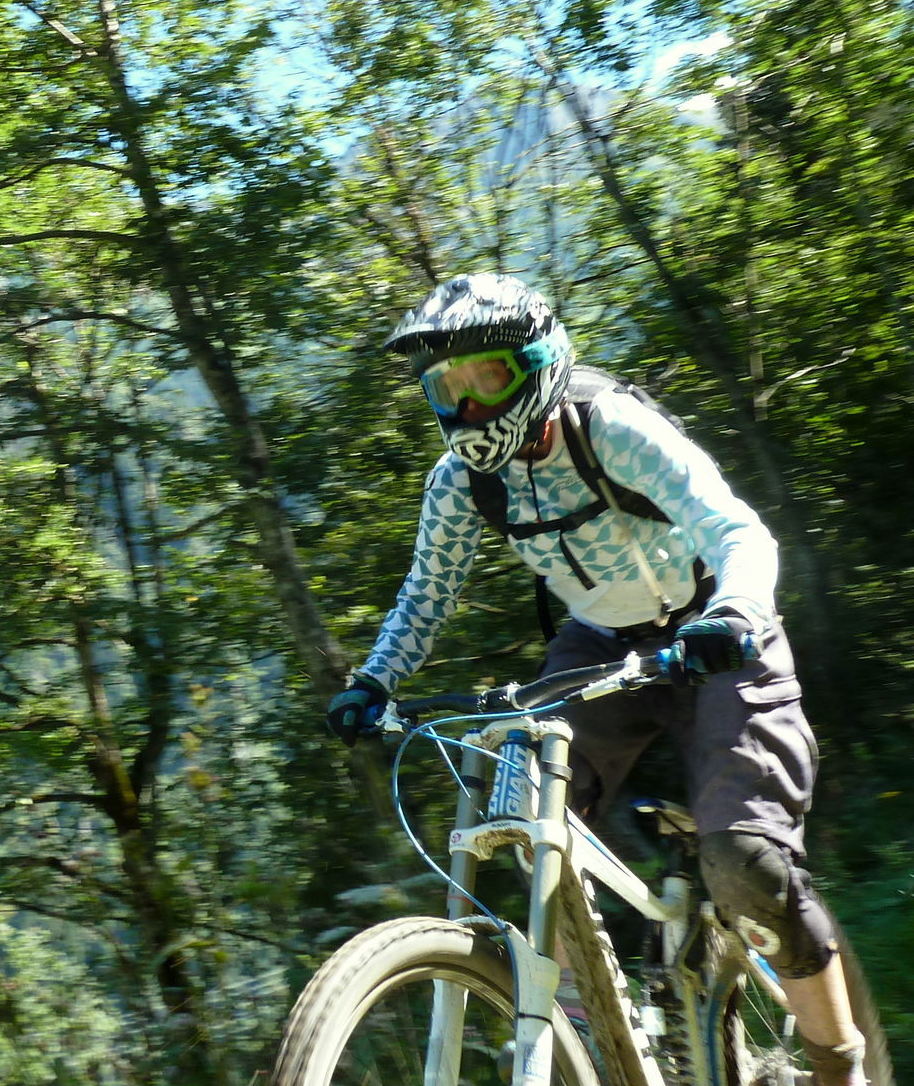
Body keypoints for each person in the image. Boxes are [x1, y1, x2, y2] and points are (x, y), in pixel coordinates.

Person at [326, 272, 867, 1086]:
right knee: (519, 810)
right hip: (600, 646)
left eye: (487, 379)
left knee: (745, 861)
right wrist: (372, 681)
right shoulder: (460, 482)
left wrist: (735, 614)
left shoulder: (609, 427)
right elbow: (425, 594)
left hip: (714, 634)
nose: (468, 408)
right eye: (447, 387)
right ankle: (594, 1016)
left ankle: (841, 1067)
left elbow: (735, 529)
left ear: (538, 363)